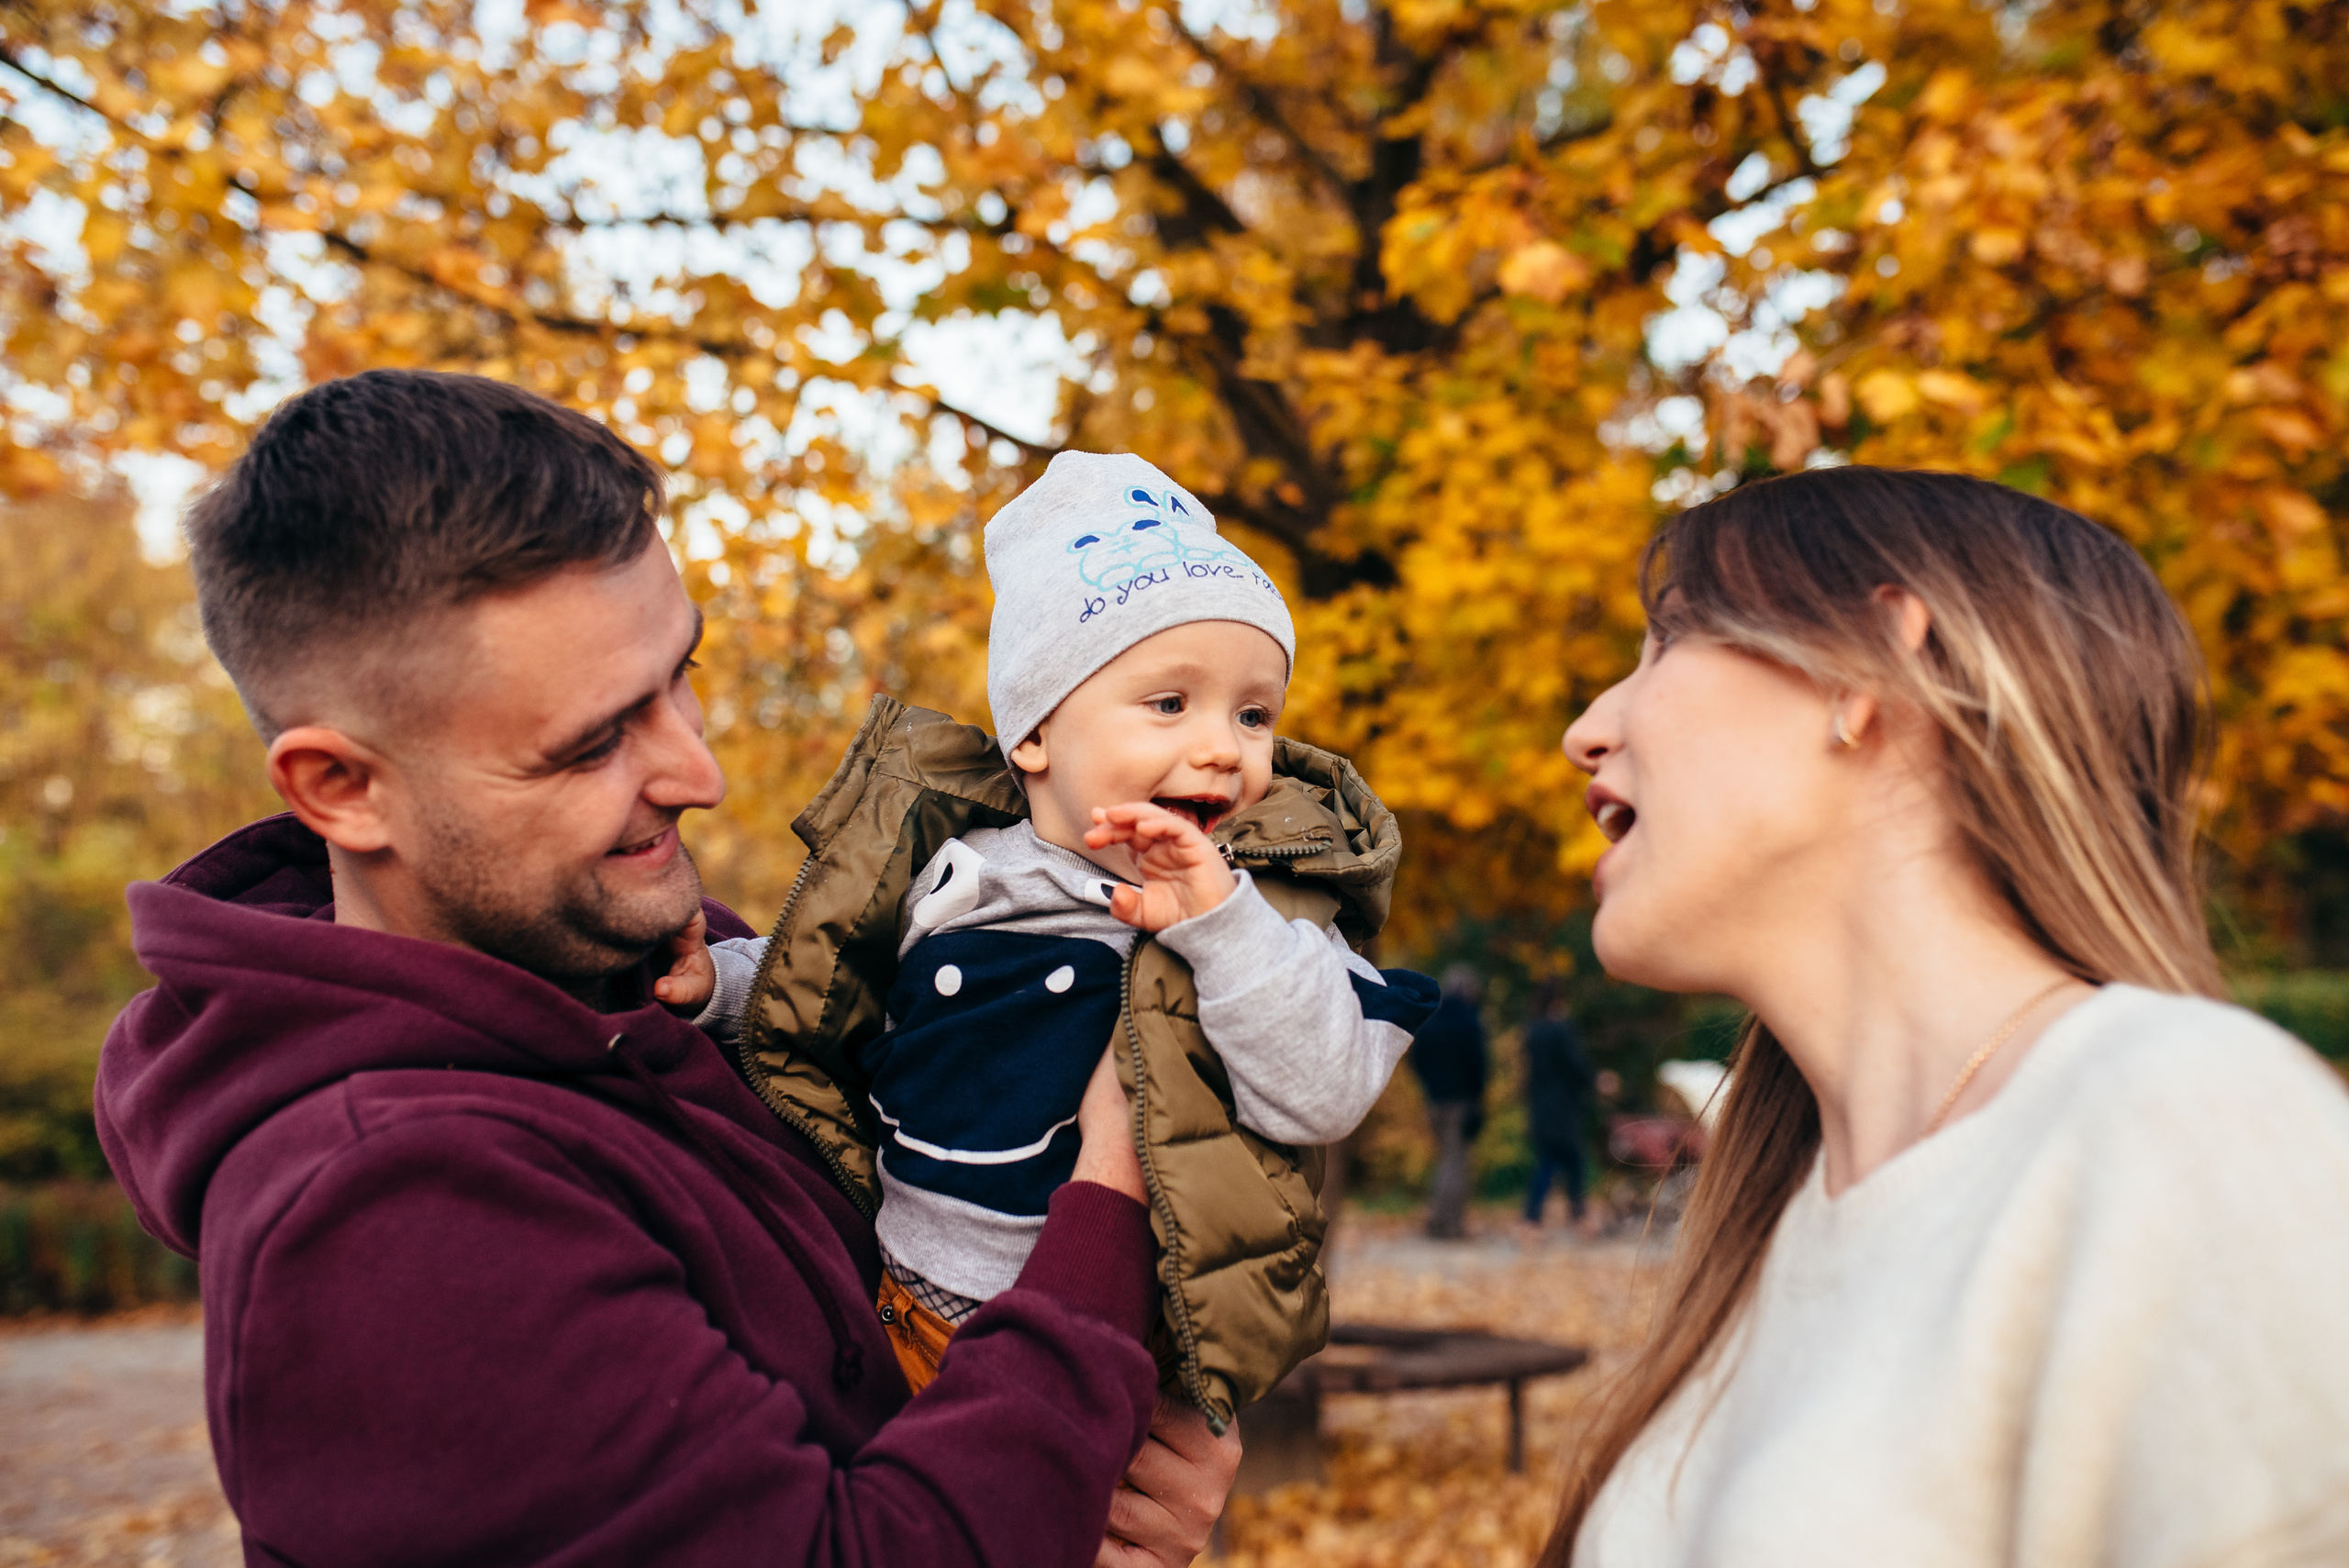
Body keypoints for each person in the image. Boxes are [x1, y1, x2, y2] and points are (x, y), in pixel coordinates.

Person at [93, 371, 1240, 1568]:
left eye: (679, 674)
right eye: (592, 741)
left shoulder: (669, 970)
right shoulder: (385, 1215)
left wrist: (1102, 1452)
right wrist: (1108, 1214)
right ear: (342, 787)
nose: (700, 773)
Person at [1545, 467, 2349, 1565]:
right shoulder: (1767, 1233)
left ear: (1867, 667)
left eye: (1669, 638)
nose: (1586, 731)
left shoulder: (2183, 1122)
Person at [661, 451, 1439, 1422]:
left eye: (1254, 714)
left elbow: (1324, 1091)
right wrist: (717, 985)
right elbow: (826, 992)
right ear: (1033, 733)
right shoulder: (950, 870)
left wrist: (1221, 924)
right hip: (893, 1306)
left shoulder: (1263, 915)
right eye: (1170, 703)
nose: (1222, 747)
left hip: (1097, 1351)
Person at [1409, 964, 1488, 1239]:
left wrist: (1429, 1084)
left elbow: (1416, 1059)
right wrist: (1476, 1095)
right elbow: (1478, 1065)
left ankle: (1439, 1218)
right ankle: (1448, 1223)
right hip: (1460, 1100)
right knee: (1456, 1163)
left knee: (1443, 1159)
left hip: (1434, 1099)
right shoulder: (1469, 1021)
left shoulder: (1430, 1019)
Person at [1520, 982, 1595, 1230]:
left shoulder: (1533, 1030)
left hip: (1540, 1105)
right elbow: (1575, 1065)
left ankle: (1532, 1217)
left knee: (1546, 1161)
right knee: (1574, 1160)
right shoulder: (1561, 1029)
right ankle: (1578, 1215)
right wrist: (1595, 1081)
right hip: (1563, 1106)